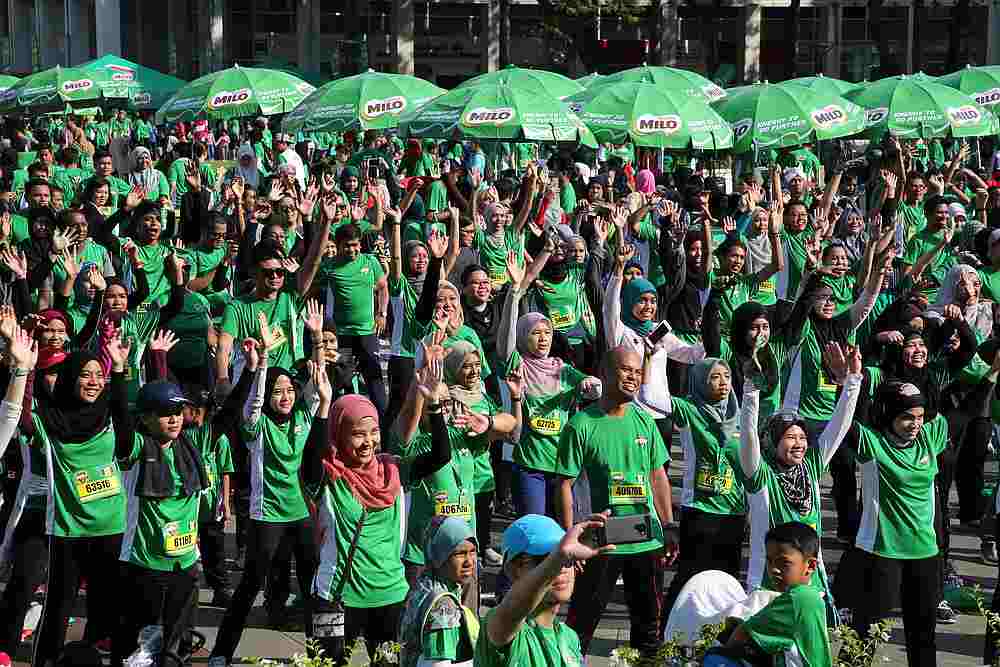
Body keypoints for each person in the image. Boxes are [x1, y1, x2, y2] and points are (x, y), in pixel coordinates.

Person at [556, 346, 676, 658]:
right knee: (579, 626)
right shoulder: (581, 424)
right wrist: (569, 537)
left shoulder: (645, 422)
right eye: (626, 370)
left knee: (649, 631)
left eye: (638, 371)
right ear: (605, 373)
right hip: (600, 542)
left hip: (644, 539)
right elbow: (564, 484)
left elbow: (658, 475)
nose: (633, 377)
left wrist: (669, 525)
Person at [111, 380, 209, 667]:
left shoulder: (189, 445)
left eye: (178, 411)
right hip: (145, 566)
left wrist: (256, 366)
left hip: (185, 565)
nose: (174, 418)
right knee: (137, 653)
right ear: (144, 418)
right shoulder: (138, 448)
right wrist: (119, 372)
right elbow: (122, 420)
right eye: (165, 413)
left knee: (176, 652)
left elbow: (230, 412)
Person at [474, 513, 614, 667]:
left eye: (568, 558)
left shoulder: (569, 636)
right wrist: (558, 557)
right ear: (514, 569)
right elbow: (513, 610)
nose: (561, 567)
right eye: (547, 559)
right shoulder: (500, 624)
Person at [713, 522, 832, 667]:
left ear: (811, 566)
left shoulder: (798, 598)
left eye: (784, 563)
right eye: (770, 561)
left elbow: (742, 634)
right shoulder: (813, 596)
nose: (774, 569)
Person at [398, 516, 480, 667]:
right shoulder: (443, 607)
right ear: (439, 555)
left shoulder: (423, 583)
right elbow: (438, 665)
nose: (469, 561)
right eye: (459, 554)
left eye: (473, 551)